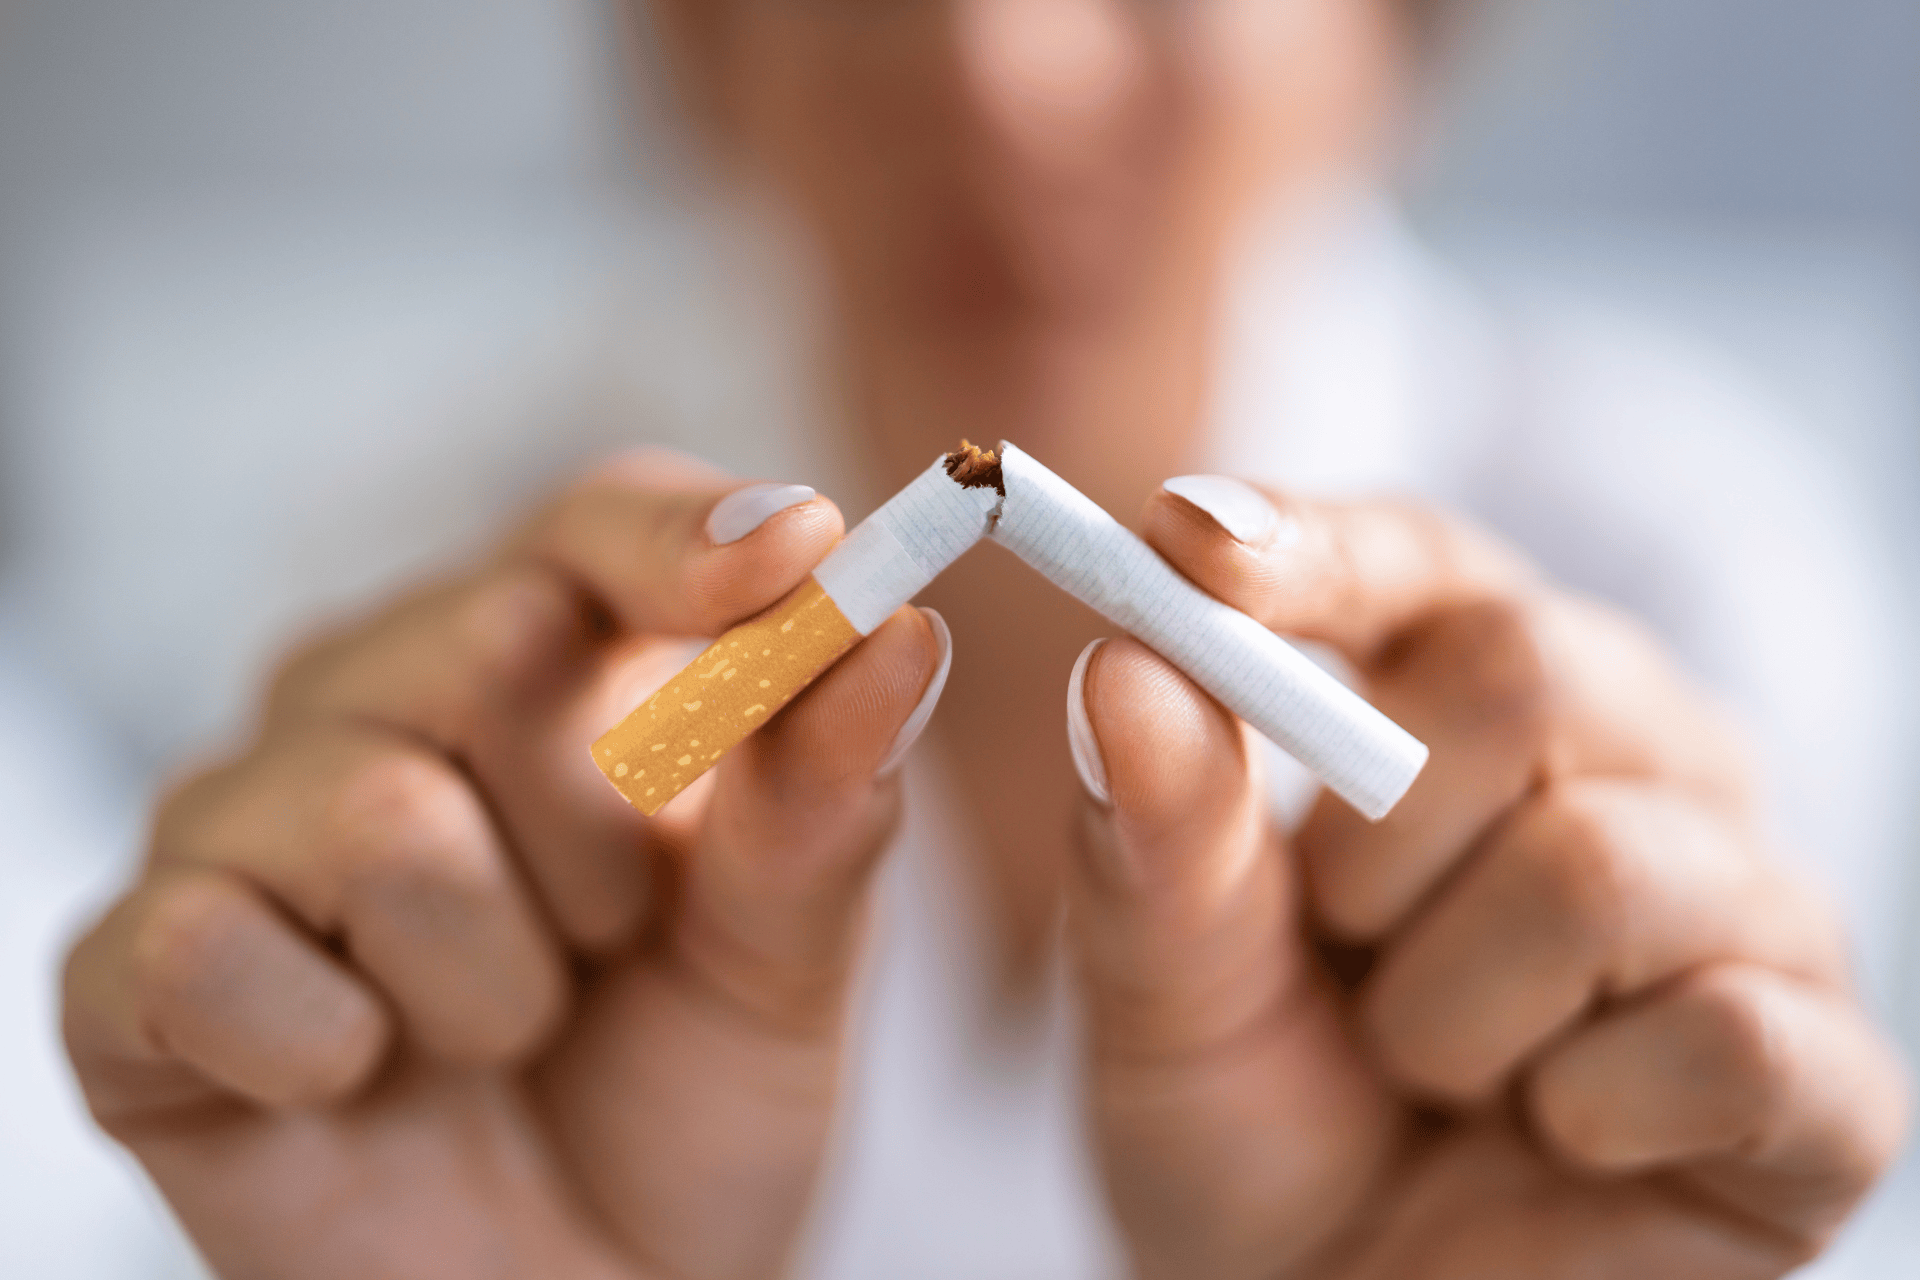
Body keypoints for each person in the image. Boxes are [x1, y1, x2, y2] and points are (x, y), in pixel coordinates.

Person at [59, 1, 1910, 1276]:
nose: (1001, 67)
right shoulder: (443, 590)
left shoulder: (1679, 593)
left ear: (1392, 43)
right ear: (701, 48)